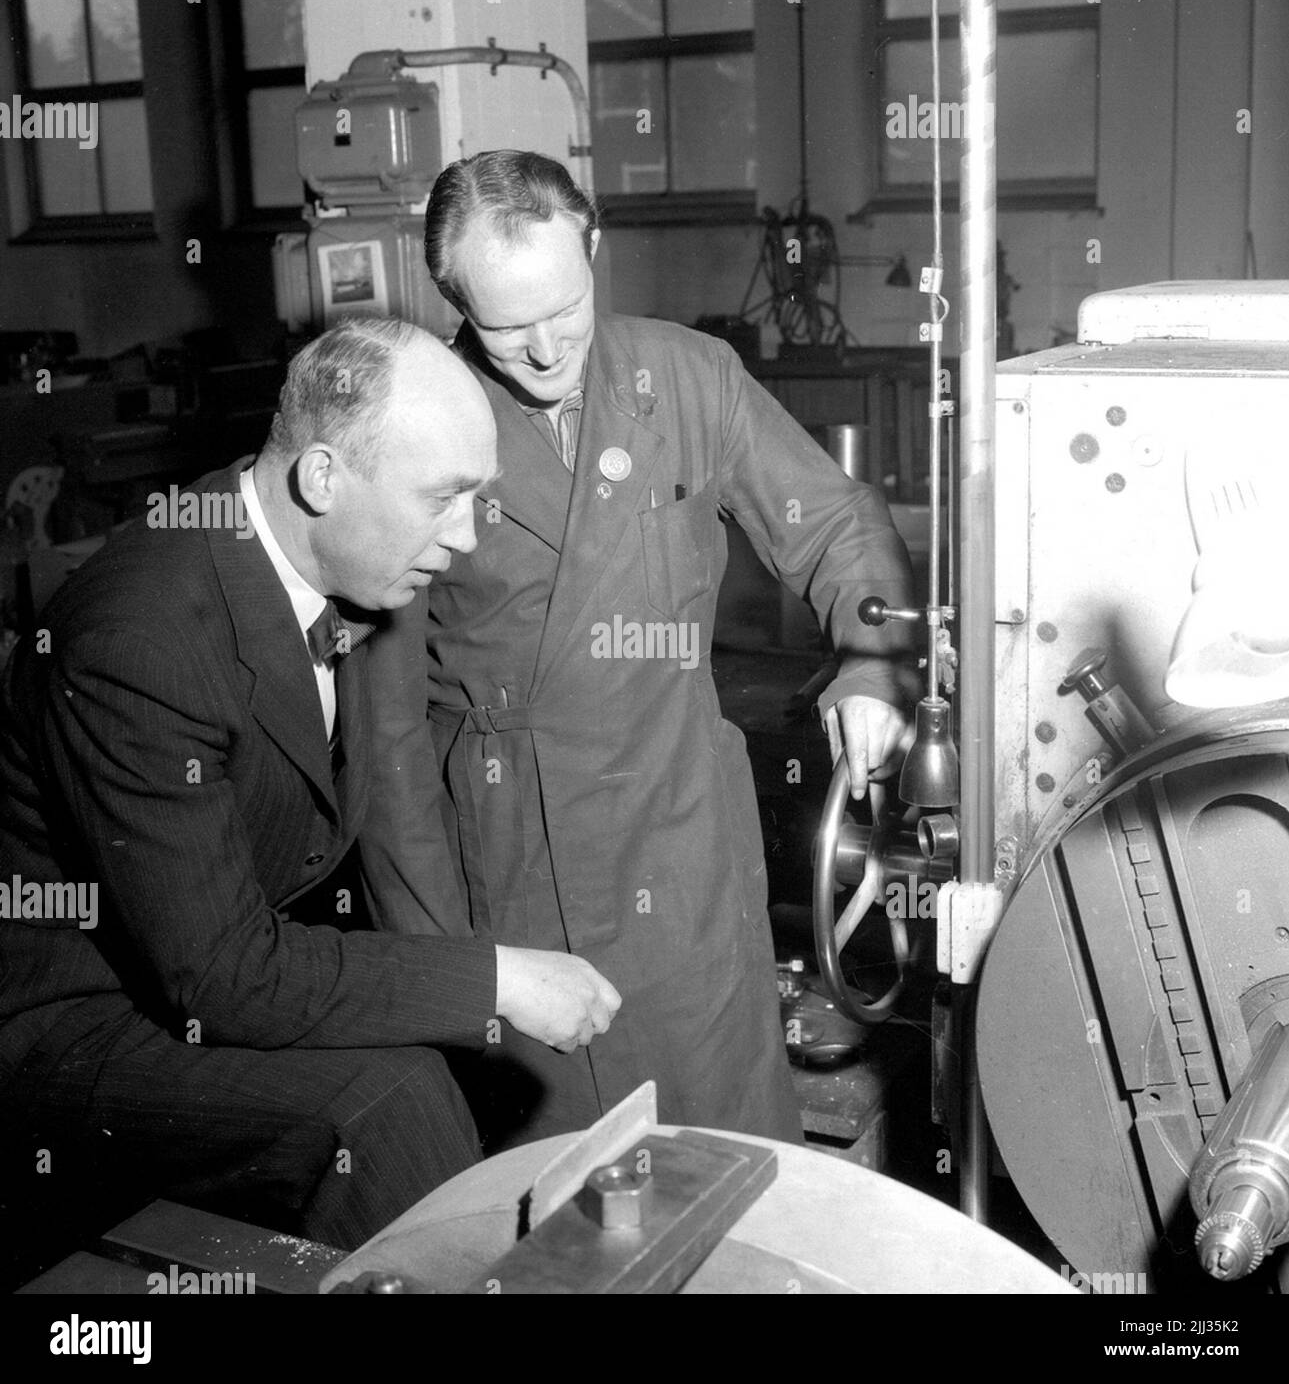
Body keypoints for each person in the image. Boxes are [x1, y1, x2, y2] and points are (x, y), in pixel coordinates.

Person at [0, 316, 620, 1280]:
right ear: (321, 477)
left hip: (208, 959)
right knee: (384, 1102)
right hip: (70, 1028)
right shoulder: (140, 639)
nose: (463, 537)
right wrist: (494, 980)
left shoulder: (338, 570)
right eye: (442, 499)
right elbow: (223, 979)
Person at [362, 151, 918, 1150]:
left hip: (683, 832)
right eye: (504, 326)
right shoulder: (407, 430)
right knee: (564, 1186)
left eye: (563, 310)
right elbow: (387, 741)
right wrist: (447, 965)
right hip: (515, 858)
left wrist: (869, 660)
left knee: (727, 1150)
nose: (541, 351)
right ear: (450, 299)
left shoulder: (689, 377)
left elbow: (833, 522)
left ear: (594, 248)